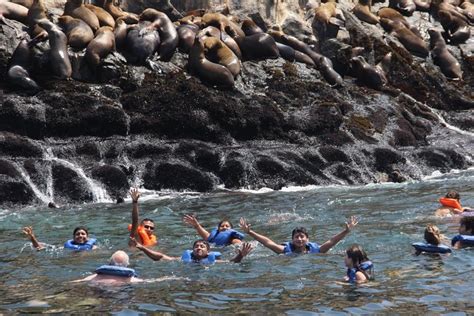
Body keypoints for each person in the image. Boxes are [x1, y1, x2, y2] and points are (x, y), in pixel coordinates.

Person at [238, 216, 358, 255]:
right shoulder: (285, 250)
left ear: (307, 239)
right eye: (296, 237)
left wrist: (346, 231)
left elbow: (332, 241)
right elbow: (268, 243)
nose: (299, 239)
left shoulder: (316, 250)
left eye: (302, 236)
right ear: (292, 239)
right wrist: (249, 232)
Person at [130, 238, 253, 264]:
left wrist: (241, 255)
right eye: (196, 246)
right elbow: (161, 257)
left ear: (208, 251)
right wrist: (143, 248)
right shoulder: (188, 258)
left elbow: (231, 262)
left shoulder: (212, 260)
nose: (198, 248)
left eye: (202, 246)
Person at [72, 250, 142, 284]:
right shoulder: (130, 279)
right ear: (127, 265)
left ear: (109, 263)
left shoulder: (95, 276)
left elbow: (79, 281)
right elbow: (146, 281)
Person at [23, 226, 97, 251]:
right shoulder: (67, 247)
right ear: (73, 238)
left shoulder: (93, 248)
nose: (80, 236)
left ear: (87, 236)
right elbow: (39, 246)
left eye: (83, 234)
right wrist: (32, 237)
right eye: (77, 234)